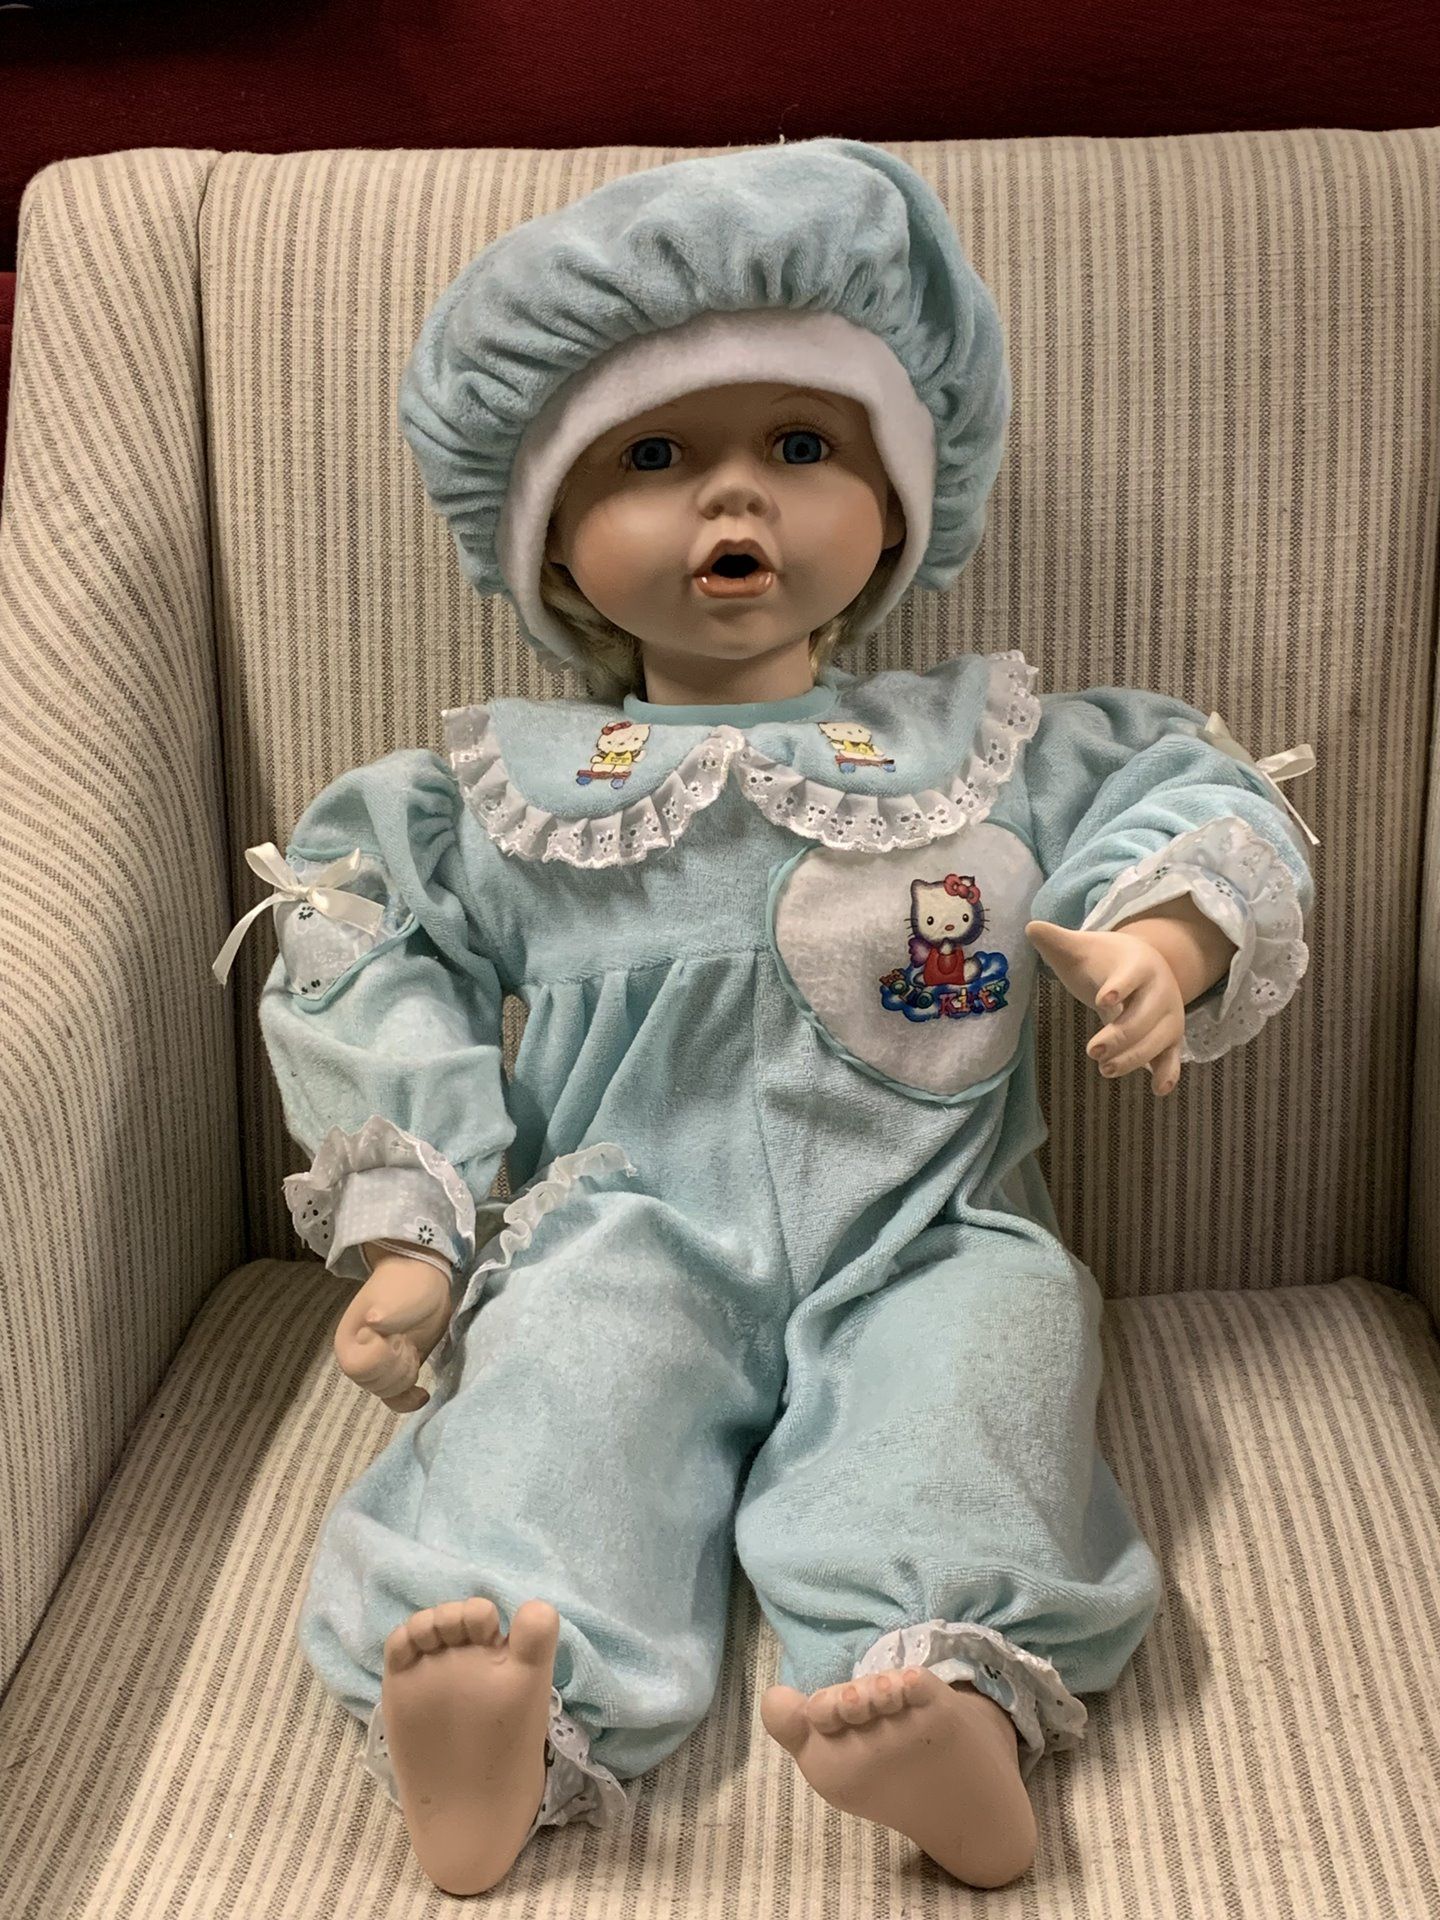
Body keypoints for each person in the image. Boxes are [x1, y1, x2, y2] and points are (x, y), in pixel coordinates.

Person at [212, 137, 1316, 1896]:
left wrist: (1163, 937)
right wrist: (416, 1228)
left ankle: (943, 1691)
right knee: (564, 1387)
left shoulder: (985, 740)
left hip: (933, 1227)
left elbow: (1188, 790)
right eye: (653, 457)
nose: (736, 497)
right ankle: (506, 1698)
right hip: (627, 1220)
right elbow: (363, 940)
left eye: (803, 446)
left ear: (896, 502)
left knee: (982, 1379)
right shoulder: (509, 784)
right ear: (552, 536)